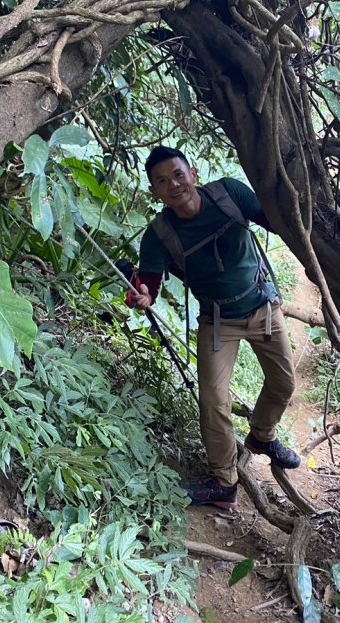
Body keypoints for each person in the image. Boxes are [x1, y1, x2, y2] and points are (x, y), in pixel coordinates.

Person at [128, 146, 301, 509]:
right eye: (162, 181)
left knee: (284, 382)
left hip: (263, 306)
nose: (173, 185)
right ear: (155, 193)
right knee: (213, 399)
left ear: (193, 173)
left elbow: (278, 221)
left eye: (177, 174)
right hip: (218, 321)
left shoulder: (229, 194)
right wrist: (142, 295)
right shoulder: (159, 233)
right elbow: (149, 285)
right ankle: (225, 481)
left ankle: (262, 437)